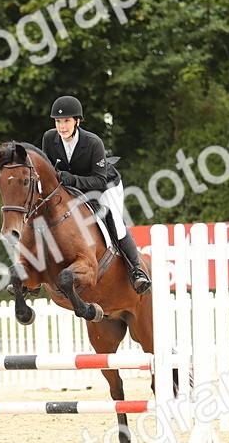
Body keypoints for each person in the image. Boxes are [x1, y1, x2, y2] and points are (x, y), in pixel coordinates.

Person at [41, 95, 150, 294]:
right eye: (58, 121)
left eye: (66, 121)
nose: (62, 126)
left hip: (104, 186)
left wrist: (73, 179)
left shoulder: (93, 142)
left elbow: (99, 180)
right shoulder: (49, 139)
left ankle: (136, 270)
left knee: (114, 221)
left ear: (77, 121)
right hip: (71, 188)